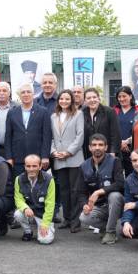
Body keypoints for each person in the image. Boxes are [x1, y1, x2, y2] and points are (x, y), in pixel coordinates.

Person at [78, 134, 125, 244]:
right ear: (89, 148)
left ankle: (110, 232)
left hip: (118, 204)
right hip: (100, 206)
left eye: (100, 145)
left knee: (114, 196)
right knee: (83, 218)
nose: (97, 147)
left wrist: (99, 192)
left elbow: (120, 183)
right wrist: (84, 205)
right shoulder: (84, 166)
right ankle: (106, 228)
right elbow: (81, 192)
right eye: (94, 145)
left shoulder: (115, 161)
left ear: (106, 147)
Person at [50, 90, 84, 231]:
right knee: (64, 190)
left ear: (72, 101)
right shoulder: (53, 116)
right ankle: (67, 219)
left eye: (67, 99)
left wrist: (68, 152)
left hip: (74, 158)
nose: (64, 101)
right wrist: (53, 152)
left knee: (75, 191)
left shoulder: (78, 114)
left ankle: (75, 221)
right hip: (59, 158)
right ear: (58, 100)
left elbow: (80, 136)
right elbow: (52, 137)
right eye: (61, 99)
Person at [5, 83, 52, 169]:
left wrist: (45, 156)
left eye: (28, 92)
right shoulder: (12, 113)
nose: (26, 94)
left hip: (37, 158)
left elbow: (47, 136)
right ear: (19, 95)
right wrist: (9, 157)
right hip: (17, 159)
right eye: (23, 92)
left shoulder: (43, 112)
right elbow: (8, 137)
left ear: (33, 94)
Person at [13, 154, 56, 244]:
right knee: (18, 214)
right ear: (25, 167)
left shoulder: (49, 180)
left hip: (42, 214)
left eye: (34, 166)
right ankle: (28, 231)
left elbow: (50, 204)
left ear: (40, 166)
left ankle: (43, 227)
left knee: (45, 240)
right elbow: (18, 199)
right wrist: (25, 208)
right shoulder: (18, 179)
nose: (31, 169)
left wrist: (45, 223)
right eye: (28, 166)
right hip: (29, 212)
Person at [82, 87, 120, 159]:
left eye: (94, 97)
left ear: (99, 98)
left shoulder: (109, 111)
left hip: (107, 153)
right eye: (89, 98)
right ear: (85, 101)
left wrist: (113, 152)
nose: (92, 100)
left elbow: (115, 134)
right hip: (89, 154)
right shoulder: (82, 113)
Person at [114, 85, 138, 174]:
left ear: (130, 96)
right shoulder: (113, 111)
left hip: (132, 150)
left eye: (124, 96)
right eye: (119, 97)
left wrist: (127, 141)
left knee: (132, 176)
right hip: (117, 150)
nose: (121, 99)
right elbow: (111, 130)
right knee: (117, 175)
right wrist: (120, 142)